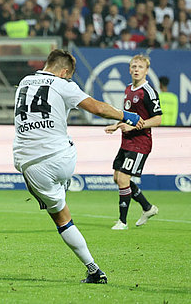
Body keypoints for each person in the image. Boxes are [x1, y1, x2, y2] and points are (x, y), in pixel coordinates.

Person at [13, 49, 144, 284]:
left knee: (61, 218)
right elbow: (97, 108)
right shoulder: (63, 84)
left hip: (31, 163)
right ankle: (64, 183)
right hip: (64, 156)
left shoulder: (24, 82)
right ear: (64, 72)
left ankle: (94, 269)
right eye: (69, 76)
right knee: (64, 144)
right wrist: (127, 116)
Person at [104, 55, 162, 230]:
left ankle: (122, 221)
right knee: (117, 178)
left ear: (147, 70)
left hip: (140, 142)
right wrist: (117, 125)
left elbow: (157, 119)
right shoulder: (128, 88)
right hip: (126, 141)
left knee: (123, 179)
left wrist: (134, 128)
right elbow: (128, 116)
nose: (137, 69)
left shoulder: (148, 92)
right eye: (134, 66)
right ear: (129, 69)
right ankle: (147, 207)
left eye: (140, 67)